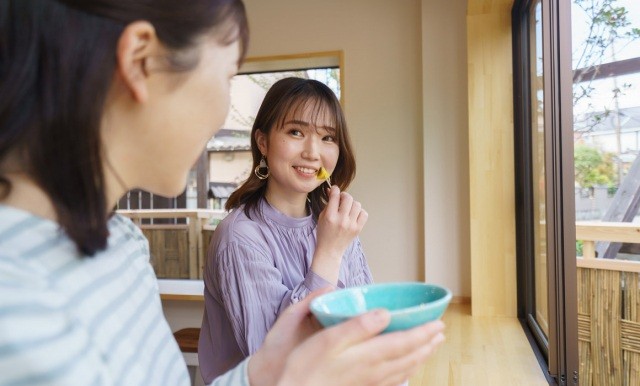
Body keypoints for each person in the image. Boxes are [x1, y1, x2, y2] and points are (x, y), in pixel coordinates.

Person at [0, 0, 446, 385]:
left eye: (328, 137)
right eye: (228, 76)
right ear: (141, 60)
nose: (220, 117)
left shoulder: (121, 244)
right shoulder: (18, 300)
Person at [199, 77, 375, 382]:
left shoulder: (333, 225)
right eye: (296, 132)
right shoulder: (240, 235)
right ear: (263, 142)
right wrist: (329, 252)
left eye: (327, 138)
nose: (312, 152)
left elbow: (363, 318)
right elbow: (276, 359)